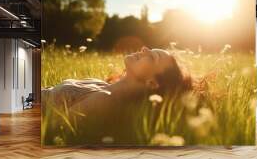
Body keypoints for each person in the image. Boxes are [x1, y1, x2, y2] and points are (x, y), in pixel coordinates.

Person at [41, 47, 192, 145]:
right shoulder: (102, 85)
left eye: (152, 57)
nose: (144, 49)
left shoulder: (106, 101)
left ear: (152, 83)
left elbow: (52, 129)